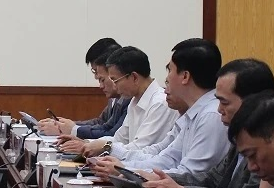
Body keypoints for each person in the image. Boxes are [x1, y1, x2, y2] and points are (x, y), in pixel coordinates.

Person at [141, 58, 274, 188]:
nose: (219, 109)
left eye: (224, 102)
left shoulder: (268, 141)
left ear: (252, 101)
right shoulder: (239, 136)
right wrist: (159, 179)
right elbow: (213, 179)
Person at [88, 39, 226, 177]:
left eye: (170, 70)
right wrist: (123, 167)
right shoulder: (192, 114)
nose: (167, 78)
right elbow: (166, 159)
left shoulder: (211, 116)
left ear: (185, 76)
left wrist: (125, 170)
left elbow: (188, 175)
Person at [78, 46, 178, 157]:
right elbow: (120, 139)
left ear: (134, 77)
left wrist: (104, 147)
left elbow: (139, 148)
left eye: (115, 80)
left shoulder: (160, 103)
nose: (115, 87)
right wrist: (87, 143)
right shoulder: (134, 101)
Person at [39, 37, 122, 136]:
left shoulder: (127, 97)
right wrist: (65, 125)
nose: (96, 77)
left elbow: (111, 133)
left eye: (97, 71)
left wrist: (71, 130)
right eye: (94, 71)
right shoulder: (115, 97)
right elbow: (100, 123)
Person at [56, 45, 130, 149]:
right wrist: (69, 127)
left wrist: (74, 130)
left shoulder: (129, 98)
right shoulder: (117, 97)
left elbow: (112, 134)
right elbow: (103, 124)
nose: (100, 84)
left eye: (101, 78)